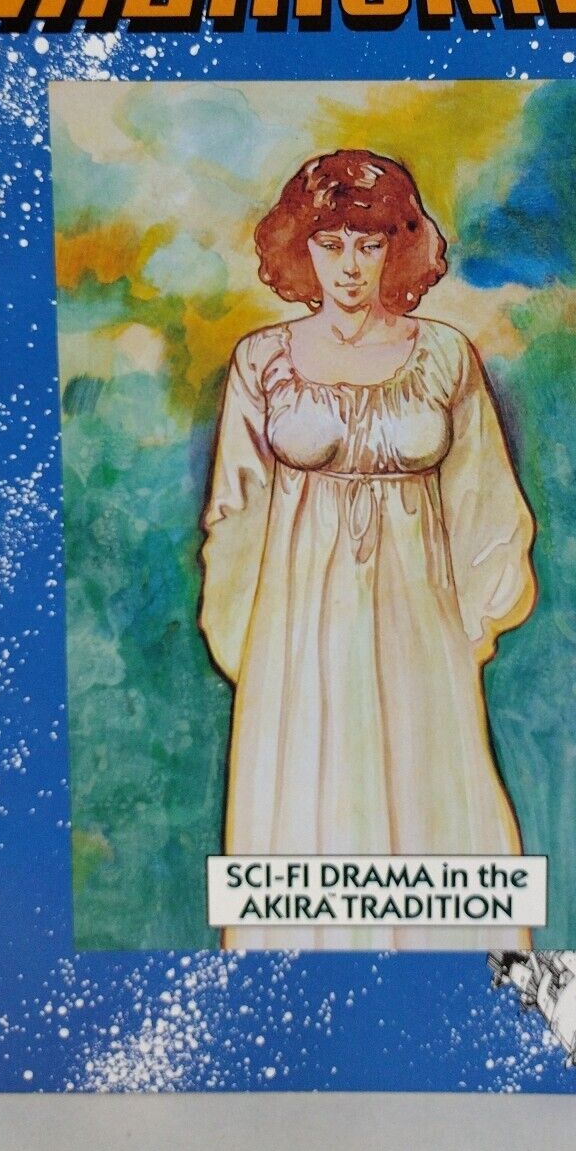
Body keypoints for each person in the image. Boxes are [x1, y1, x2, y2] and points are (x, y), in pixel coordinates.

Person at [198, 150, 537, 948]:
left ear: (399, 245)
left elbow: (486, 500)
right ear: (301, 247)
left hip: (419, 620)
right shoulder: (261, 359)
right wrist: (251, 644)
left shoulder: (446, 354)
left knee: (432, 794)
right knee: (306, 801)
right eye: (330, 242)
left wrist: (471, 627)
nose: (349, 265)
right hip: (297, 630)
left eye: (369, 242)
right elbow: (235, 512)